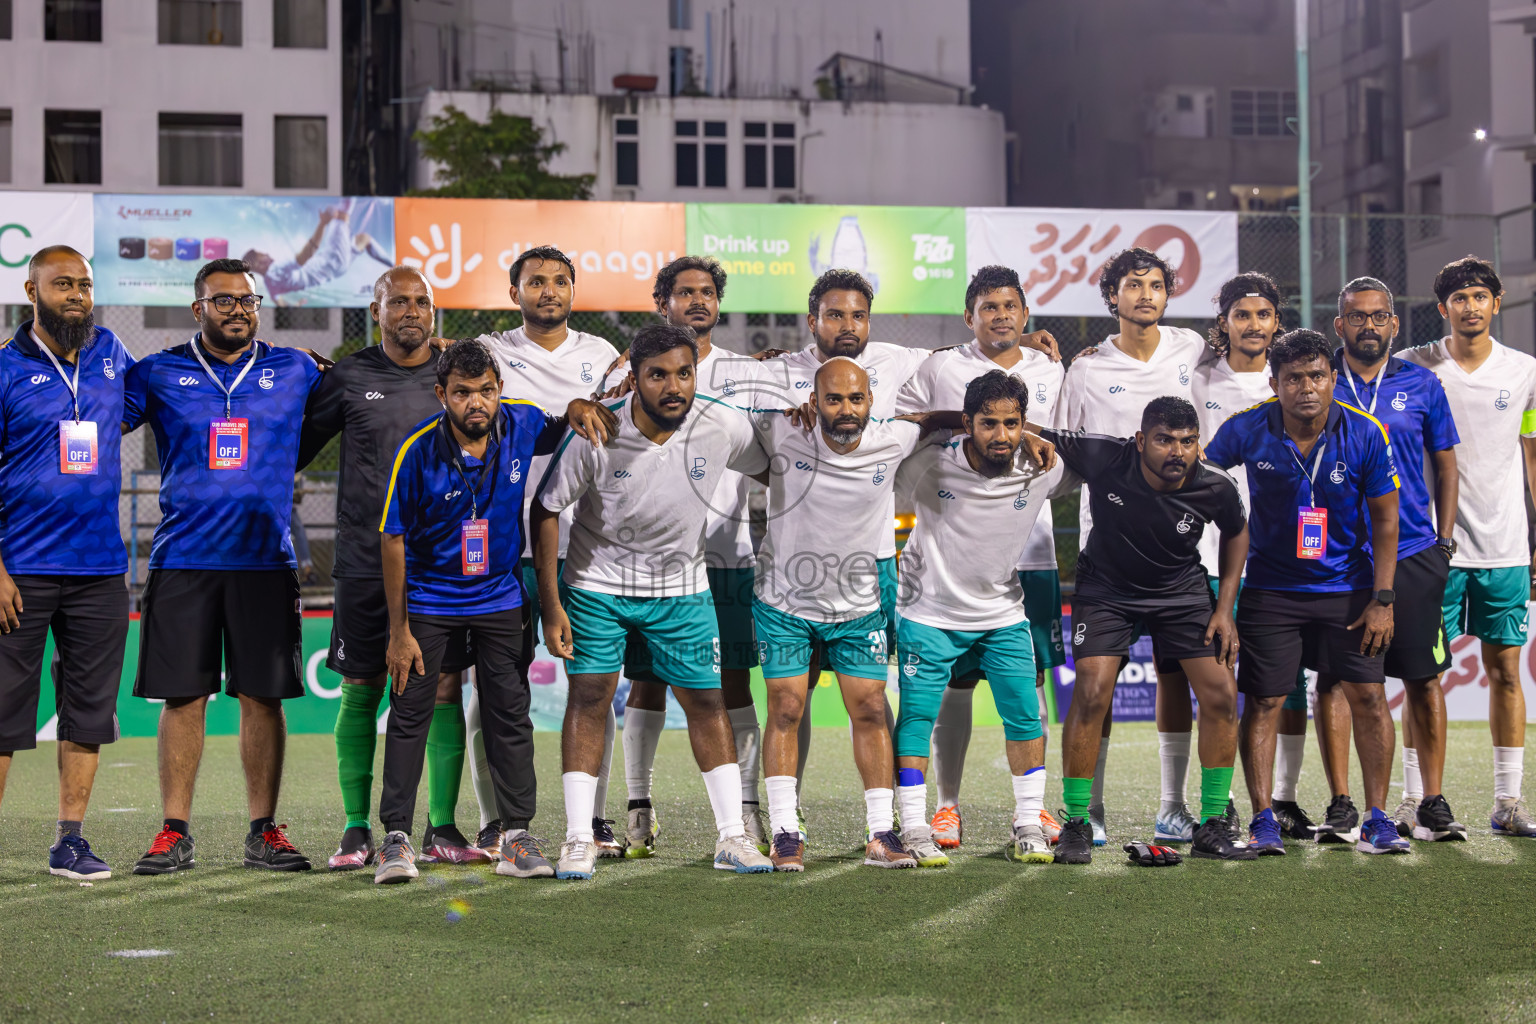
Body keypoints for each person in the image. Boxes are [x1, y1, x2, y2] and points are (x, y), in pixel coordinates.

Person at [764, 269, 1058, 839]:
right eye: (834, 315)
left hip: (886, 568)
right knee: (788, 703)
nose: (847, 325)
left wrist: (1027, 421)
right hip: (795, 571)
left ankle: (914, 820)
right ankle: (784, 817)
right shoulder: (779, 375)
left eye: (857, 315)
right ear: (812, 321)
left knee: (887, 704)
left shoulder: (906, 361)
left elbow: (940, 404)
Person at [532, 323, 774, 879]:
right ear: (633, 380)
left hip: (682, 588)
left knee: (707, 704)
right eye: (658, 375)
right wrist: (552, 605)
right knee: (590, 699)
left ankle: (733, 838)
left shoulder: (720, 422)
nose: (674, 386)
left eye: (684, 373)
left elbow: (773, 466)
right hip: (598, 586)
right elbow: (545, 510)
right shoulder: (597, 432)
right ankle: (577, 838)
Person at [373, 339, 609, 883]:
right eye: (462, 393)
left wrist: (576, 407)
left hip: (501, 597)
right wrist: (399, 631)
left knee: (509, 711)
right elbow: (392, 539)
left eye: (486, 391)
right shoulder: (416, 453)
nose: (476, 402)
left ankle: (516, 835)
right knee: (410, 712)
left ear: (500, 391)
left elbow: (560, 423)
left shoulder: (521, 424)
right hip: (430, 600)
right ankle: (396, 839)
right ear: (442, 395)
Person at [124, 258, 323, 874]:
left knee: (263, 696)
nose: (237, 309)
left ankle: (263, 831)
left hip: (265, 559)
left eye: (247, 300)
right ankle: (173, 831)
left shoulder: (296, 367)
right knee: (184, 697)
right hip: (183, 556)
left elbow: (375, 383)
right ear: (198, 308)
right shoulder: (157, 372)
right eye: (223, 300)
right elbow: (92, 414)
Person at [297, 266, 482, 870]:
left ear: (435, 313)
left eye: (422, 301)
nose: (412, 310)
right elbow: (295, 448)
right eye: (398, 301)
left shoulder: (453, 375)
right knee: (363, 686)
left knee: (445, 687)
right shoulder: (349, 376)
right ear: (375, 311)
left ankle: (443, 826)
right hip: (364, 561)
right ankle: (356, 828)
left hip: (443, 566)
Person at [1204, 329, 1410, 855]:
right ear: (1275, 383)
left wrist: (1383, 600)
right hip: (1271, 591)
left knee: (1367, 695)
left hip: (1350, 590)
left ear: (1333, 379)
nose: (1307, 387)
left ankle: (1378, 818)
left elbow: (1388, 521)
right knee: (1267, 699)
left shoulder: (1365, 432)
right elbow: (1198, 479)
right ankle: (1263, 818)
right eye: (1293, 378)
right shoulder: (1248, 427)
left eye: (1317, 375)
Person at [894, 265, 1066, 850]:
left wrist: (1037, 435)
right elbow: (901, 429)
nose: (1000, 315)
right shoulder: (941, 367)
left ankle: (1033, 812)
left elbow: (1080, 444)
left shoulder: (1051, 369)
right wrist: (952, 427)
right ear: (970, 316)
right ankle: (942, 808)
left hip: (1026, 556)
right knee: (946, 698)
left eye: (1010, 306)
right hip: (940, 581)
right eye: (987, 306)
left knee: (1030, 692)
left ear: (1025, 314)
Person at [1038, 397, 1252, 864]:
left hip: (1180, 591)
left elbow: (1237, 531)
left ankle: (1213, 821)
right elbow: (1029, 430)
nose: (1177, 452)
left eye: (1187, 442)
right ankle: (1077, 820)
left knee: (1219, 692)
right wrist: (947, 422)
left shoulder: (1215, 485)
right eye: (1164, 441)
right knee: (1092, 692)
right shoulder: (1104, 456)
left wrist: (1224, 608)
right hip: (1106, 590)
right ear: (1140, 441)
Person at [472, 245, 624, 858]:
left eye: (561, 281)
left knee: (593, 688)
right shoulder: (490, 353)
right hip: (509, 546)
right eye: (536, 282)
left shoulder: (605, 358)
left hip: (584, 549)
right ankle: (493, 819)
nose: (549, 291)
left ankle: (597, 817)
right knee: (496, 688)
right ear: (515, 294)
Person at [619, 256, 772, 856]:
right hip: (649, 561)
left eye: (707, 292)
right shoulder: (633, 369)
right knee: (646, 686)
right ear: (664, 304)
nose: (698, 302)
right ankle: (637, 807)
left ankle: (747, 814)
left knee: (732, 688)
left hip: (727, 557)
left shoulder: (749, 373)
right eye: (684, 293)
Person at [0, 245, 132, 880]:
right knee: (2, 711)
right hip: (18, 570)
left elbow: (159, 401)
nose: (77, 294)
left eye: (83, 283)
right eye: (62, 285)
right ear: (32, 293)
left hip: (100, 569)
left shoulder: (111, 353)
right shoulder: (3, 369)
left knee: (87, 711)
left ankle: (69, 840)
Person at [1315, 278, 1461, 844]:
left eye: (1379, 317)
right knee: (1334, 681)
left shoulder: (1422, 384)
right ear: (1339, 324)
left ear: (1394, 324)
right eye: (1357, 317)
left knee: (1424, 682)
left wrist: (1444, 543)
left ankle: (1432, 801)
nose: (1368, 326)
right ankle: (1342, 804)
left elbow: (1446, 467)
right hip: (1340, 559)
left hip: (1414, 554)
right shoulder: (1319, 379)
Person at [1402, 255, 1536, 838]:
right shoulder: (1415, 365)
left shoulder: (1526, 371)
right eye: (1459, 298)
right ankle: (1415, 801)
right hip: (1434, 550)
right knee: (1420, 676)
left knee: (1507, 673)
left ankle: (1508, 803)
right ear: (1443, 309)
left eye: (1480, 296)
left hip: (1505, 548)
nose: (1471, 306)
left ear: (1497, 302)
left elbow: (1533, 459)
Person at [1193, 272, 1318, 841]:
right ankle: (1201, 802)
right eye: (1241, 315)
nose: (1253, 324)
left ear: (1276, 322)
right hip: (1212, 553)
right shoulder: (1194, 372)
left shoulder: (1296, 380)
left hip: (1280, 557)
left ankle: (1284, 800)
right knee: (1215, 682)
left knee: (1285, 683)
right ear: (1224, 322)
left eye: (1263, 314)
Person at [243, 199, 391, 303]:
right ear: (258, 264)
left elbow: (278, 301)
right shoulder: (275, 269)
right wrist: (322, 223)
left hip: (337, 270)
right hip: (331, 260)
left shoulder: (270, 284)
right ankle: (352, 180)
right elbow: (305, 256)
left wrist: (296, 305)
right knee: (341, 214)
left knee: (364, 239)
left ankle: (394, 266)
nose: (268, 254)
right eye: (263, 255)